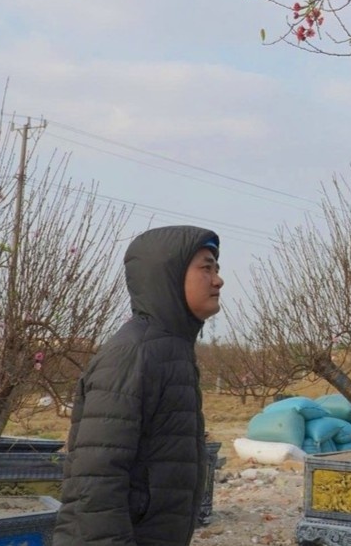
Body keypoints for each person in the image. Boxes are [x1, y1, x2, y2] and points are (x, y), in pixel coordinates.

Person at [54, 225, 224, 546]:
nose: (218, 280)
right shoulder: (133, 354)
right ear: (168, 274)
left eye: (216, 269)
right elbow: (97, 479)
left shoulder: (172, 350)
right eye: (206, 268)